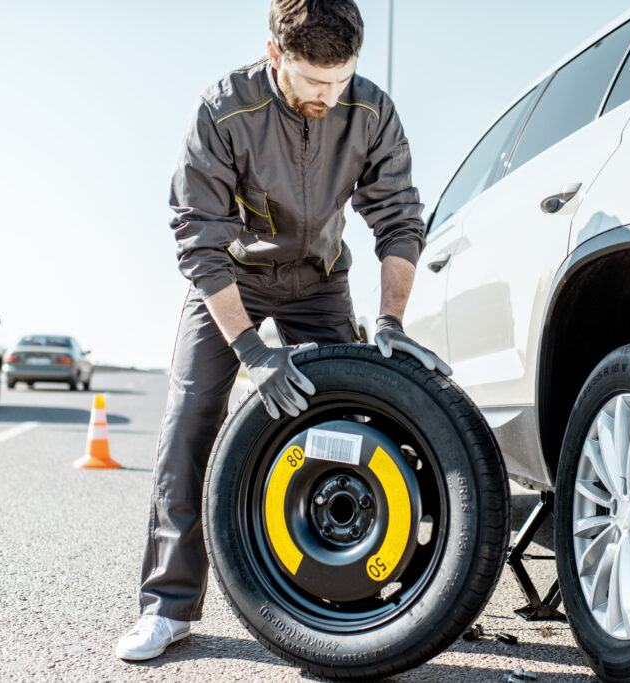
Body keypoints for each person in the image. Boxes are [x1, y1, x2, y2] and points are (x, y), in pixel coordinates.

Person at [115, 0, 450, 661]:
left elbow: (399, 219)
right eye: (313, 81)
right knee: (188, 423)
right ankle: (168, 607)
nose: (330, 95)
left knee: (359, 418)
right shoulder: (222, 109)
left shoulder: (371, 110)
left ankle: (349, 596)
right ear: (275, 55)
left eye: (342, 79)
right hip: (230, 283)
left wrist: (389, 319)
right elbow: (198, 241)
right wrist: (249, 349)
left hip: (320, 281)